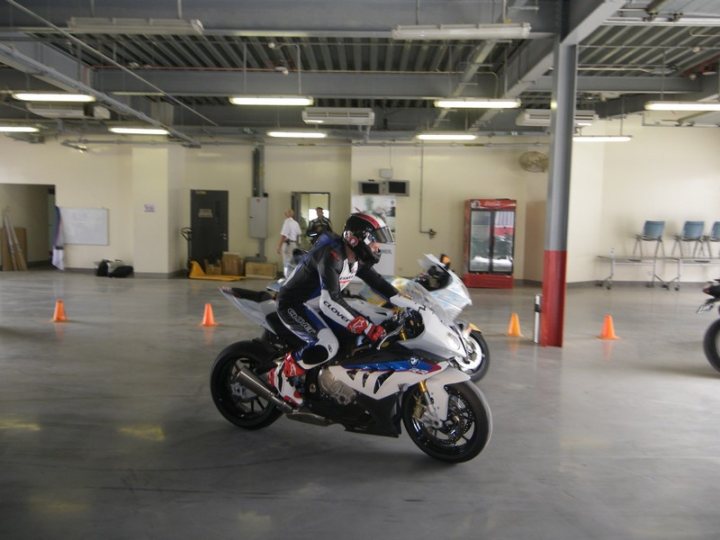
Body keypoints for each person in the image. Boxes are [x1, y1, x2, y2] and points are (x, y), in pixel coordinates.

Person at [268, 213, 419, 406]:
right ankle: (281, 374)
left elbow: (378, 283)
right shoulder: (332, 255)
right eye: (375, 241)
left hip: (315, 305)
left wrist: (407, 302)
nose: (378, 247)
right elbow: (330, 300)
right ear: (356, 238)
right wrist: (366, 327)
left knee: (354, 335)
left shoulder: (355, 258)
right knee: (328, 345)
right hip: (293, 305)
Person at [276, 209, 302, 277]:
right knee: (293, 262)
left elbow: (283, 235)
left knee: (286, 263)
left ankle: (286, 278)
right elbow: (299, 233)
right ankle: (292, 278)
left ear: (287, 214)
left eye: (286, 213)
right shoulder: (296, 223)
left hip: (287, 244)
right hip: (294, 244)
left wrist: (279, 246)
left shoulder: (287, 222)